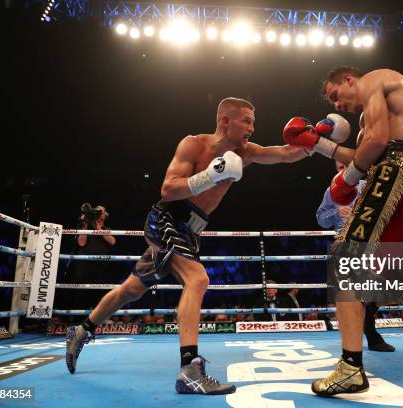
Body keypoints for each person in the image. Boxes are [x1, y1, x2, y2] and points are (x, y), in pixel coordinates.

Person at [66, 97, 307, 395]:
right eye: (247, 120)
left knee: (132, 289)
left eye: (253, 121)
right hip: (167, 219)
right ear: (225, 121)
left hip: (191, 231)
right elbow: (168, 189)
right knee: (198, 278)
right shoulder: (194, 145)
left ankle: (82, 330)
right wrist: (210, 175)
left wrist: (318, 142)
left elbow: (284, 154)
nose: (252, 127)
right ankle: (190, 370)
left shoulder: (244, 153)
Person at [283, 67, 403, 399]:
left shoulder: (375, 79)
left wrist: (347, 179)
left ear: (348, 80)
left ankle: (350, 368)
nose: (338, 104)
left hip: (395, 172)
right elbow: (365, 153)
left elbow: (378, 144)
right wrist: (317, 145)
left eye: (335, 95)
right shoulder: (390, 104)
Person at [316, 161, 395, 353]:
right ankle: (370, 337)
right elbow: (320, 218)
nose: (343, 170)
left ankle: (367, 334)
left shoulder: (372, 187)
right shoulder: (333, 191)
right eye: (339, 167)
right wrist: (336, 212)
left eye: (346, 166)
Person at [66, 204, 116, 311]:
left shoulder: (107, 229)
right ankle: (78, 321)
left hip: (101, 267)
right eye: (97, 211)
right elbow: (81, 243)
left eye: (101, 211)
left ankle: (96, 321)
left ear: (106, 215)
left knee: (99, 295)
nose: (99, 213)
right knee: (81, 295)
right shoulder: (86, 227)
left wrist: (98, 227)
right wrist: (84, 225)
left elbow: (112, 241)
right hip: (84, 266)